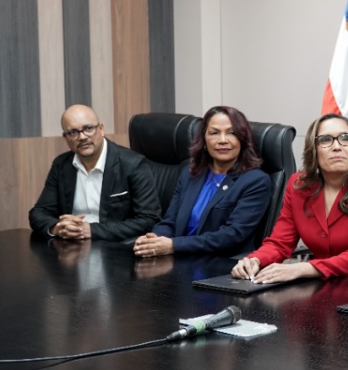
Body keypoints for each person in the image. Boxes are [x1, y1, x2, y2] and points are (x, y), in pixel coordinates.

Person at [231, 114, 348, 283]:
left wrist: (299, 269)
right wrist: (255, 260)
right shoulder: (299, 185)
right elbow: (280, 243)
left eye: (345, 138)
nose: (337, 147)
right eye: (325, 140)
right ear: (314, 151)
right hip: (325, 285)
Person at [133, 106, 271, 258]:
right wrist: (153, 239)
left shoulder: (256, 181)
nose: (222, 140)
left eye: (231, 133)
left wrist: (174, 245)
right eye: (214, 133)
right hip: (180, 257)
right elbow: (170, 221)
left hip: (220, 263)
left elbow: (231, 235)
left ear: (242, 140)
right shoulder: (190, 173)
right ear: (204, 140)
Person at [28, 105, 160, 242]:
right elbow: (39, 212)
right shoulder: (61, 165)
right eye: (73, 132)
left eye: (88, 128)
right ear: (65, 138)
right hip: (71, 246)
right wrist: (58, 227)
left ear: (101, 129)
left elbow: (149, 219)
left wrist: (91, 230)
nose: (82, 137)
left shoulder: (132, 164)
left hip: (113, 246)